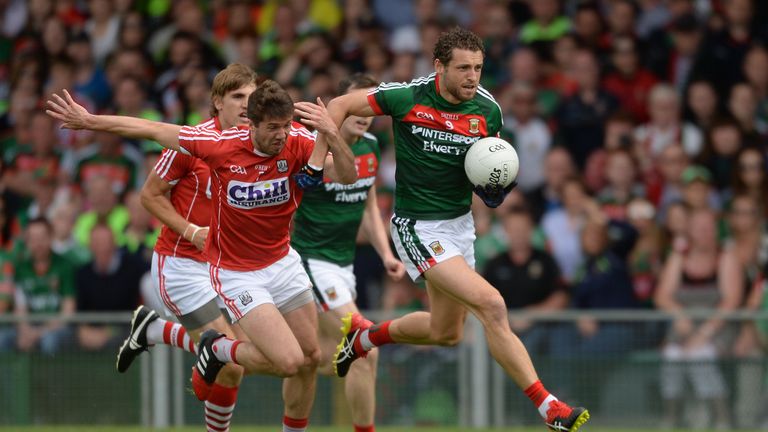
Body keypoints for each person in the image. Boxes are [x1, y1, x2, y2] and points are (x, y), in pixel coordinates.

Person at [308, 27, 589, 431]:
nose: (472, 77)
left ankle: (364, 339)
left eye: (478, 67)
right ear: (439, 66)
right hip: (417, 227)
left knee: (446, 333)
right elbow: (338, 105)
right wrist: (317, 162)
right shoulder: (406, 97)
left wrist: (493, 190)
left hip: (460, 226)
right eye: (463, 68)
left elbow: (488, 166)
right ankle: (550, 408)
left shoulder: (488, 111)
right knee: (492, 305)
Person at [46, 80, 357, 432]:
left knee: (310, 358)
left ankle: (207, 348)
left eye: (285, 126)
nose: (281, 135)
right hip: (237, 272)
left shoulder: (299, 140)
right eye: (272, 128)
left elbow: (348, 174)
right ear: (250, 125)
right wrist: (90, 121)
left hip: (282, 261)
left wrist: (331, 132)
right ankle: (217, 349)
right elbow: (151, 129)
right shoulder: (218, 145)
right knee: (287, 361)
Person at [114, 64, 258, 432]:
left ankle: (154, 331)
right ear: (217, 102)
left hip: (226, 267)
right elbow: (149, 196)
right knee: (233, 362)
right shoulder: (191, 141)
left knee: (237, 366)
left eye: (251, 97)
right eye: (237, 97)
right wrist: (192, 230)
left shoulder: (258, 144)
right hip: (181, 264)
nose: (246, 105)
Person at [292, 73, 406, 432]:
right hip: (311, 261)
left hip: (344, 266)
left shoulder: (370, 146)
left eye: (368, 104)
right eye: (355, 104)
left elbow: (368, 206)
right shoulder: (317, 146)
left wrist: (386, 253)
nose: (362, 112)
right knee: (365, 345)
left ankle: (226, 354)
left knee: (313, 360)